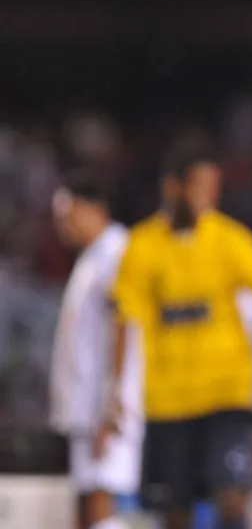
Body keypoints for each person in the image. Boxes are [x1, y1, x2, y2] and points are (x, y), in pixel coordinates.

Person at [105, 143, 252, 529]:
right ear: (173, 188)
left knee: (232, 499)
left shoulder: (230, 239)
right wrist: (116, 389)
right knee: (174, 512)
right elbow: (123, 319)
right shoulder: (142, 246)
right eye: (201, 186)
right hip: (167, 401)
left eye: (213, 186)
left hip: (227, 395)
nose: (209, 196)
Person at [49, 171, 138, 529]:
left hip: (104, 404)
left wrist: (113, 399)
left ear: (93, 208)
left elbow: (124, 326)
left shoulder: (117, 252)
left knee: (104, 495)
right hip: (86, 404)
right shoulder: (91, 258)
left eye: (69, 216)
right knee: (87, 502)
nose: (63, 226)